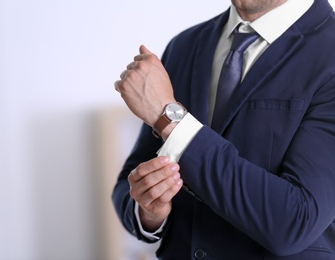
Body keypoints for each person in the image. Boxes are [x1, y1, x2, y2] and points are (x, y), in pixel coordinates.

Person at [112, 0, 335, 259]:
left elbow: (296, 222)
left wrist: (170, 119)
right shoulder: (184, 46)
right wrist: (149, 213)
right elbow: (130, 181)